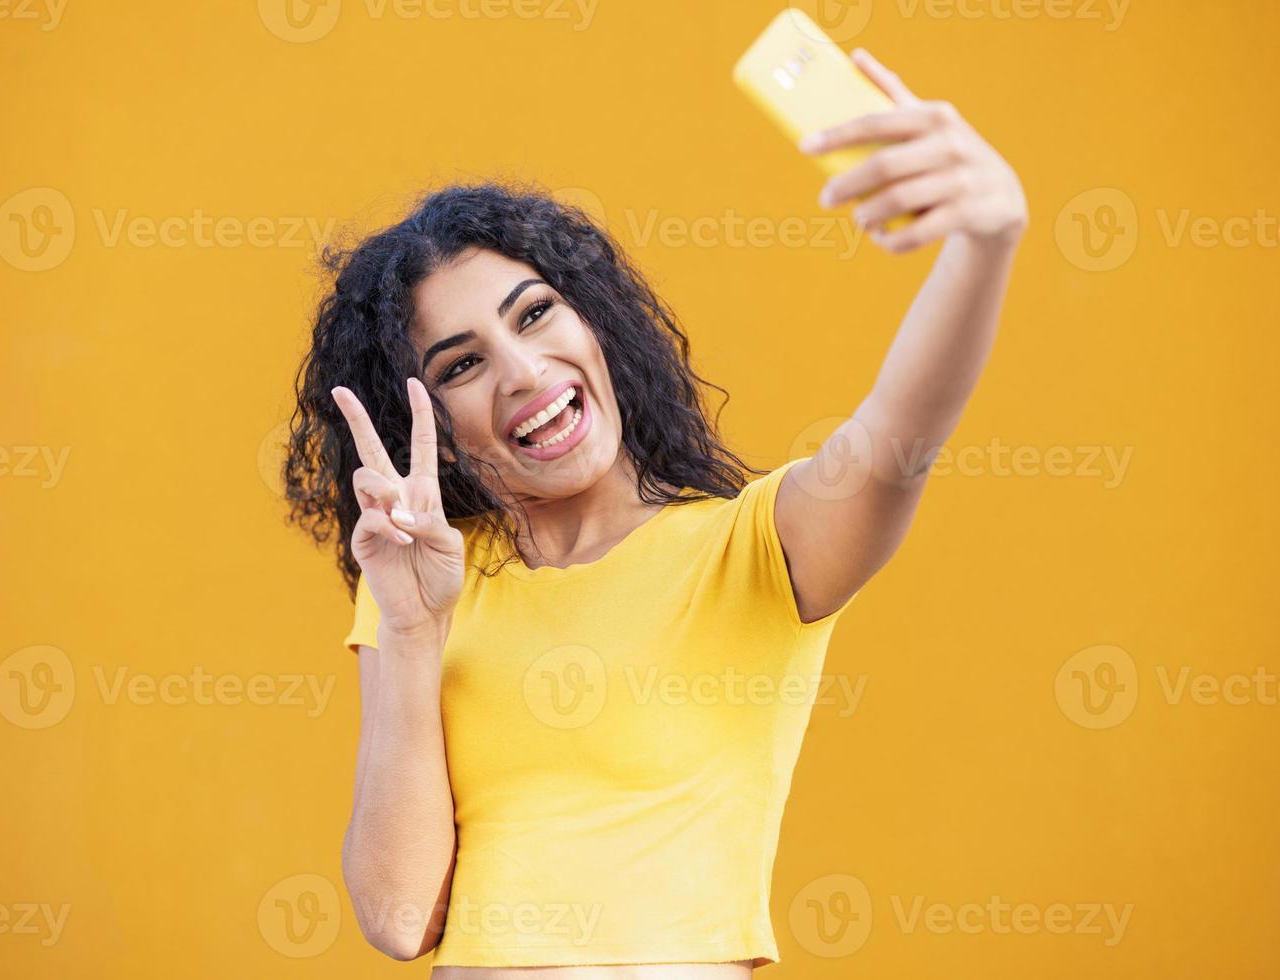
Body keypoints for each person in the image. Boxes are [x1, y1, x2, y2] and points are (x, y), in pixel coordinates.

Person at [282, 49, 1026, 980]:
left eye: (537, 314)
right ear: (420, 418)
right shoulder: (425, 583)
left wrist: (985, 244)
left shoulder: (753, 553)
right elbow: (398, 918)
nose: (522, 372)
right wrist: (412, 626)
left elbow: (903, 429)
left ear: (597, 323)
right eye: (461, 365)